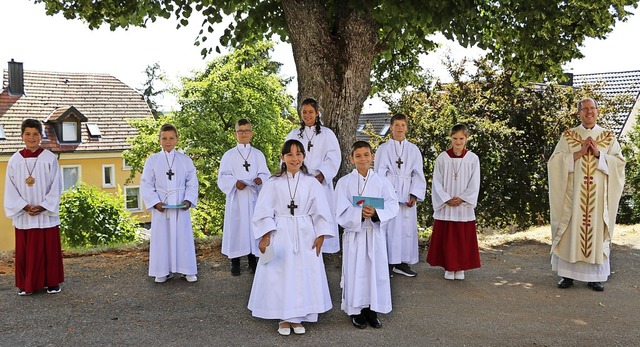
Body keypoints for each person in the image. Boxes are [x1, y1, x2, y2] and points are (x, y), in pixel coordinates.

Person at [248, 139, 333, 336]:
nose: (294, 158)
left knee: (302, 273)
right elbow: (263, 210)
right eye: (290, 154)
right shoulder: (273, 183)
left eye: (298, 154)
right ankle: (284, 318)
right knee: (282, 274)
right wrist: (266, 235)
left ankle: (299, 316)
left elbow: (321, 210)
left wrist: (321, 234)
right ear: (282, 158)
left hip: (306, 232)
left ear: (303, 157)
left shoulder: (311, 182)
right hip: (281, 231)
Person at [548, 98, 625, 292]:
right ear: (579, 113)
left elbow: (620, 164)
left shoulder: (608, 136)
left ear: (598, 111)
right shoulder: (568, 136)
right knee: (570, 231)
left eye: (592, 109)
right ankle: (567, 275)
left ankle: (595, 277)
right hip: (573, 198)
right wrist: (578, 153)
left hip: (598, 199)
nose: (589, 112)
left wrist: (600, 155)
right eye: (585, 109)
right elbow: (554, 163)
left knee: (596, 233)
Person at [335, 141, 399, 329]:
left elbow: (392, 204)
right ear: (351, 158)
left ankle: (372, 311)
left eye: (366, 155)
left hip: (374, 234)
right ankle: (356, 311)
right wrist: (358, 214)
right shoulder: (344, 182)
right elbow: (339, 209)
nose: (363, 159)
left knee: (375, 272)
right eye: (358, 155)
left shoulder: (381, 181)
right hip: (355, 235)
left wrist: (377, 214)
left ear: (372, 156)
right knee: (356, 272)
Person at [4, 119, 64, 296]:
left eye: (35, 134)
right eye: (28, 134)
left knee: (49, 250)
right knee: (26, 251)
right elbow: (10, 187)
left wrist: (44, 206)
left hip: (45, 214)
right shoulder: (15, 160)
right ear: (22, 136)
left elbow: (56, 185)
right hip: (24, 214)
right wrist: (23, 206)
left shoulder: (49, 158)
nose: (32, 138)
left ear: (41, 136)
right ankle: (26, 284)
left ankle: (52, 282)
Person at [140, 124, 199, 283]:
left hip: (180, 204)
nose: (168, 141)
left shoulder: (185, 160)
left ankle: (187, 270)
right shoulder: (152, 161)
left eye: (171, 138)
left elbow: (192, 182)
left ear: (176, 139)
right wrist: (155, 202)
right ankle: (161, 270)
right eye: (164, 138)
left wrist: (188, 199)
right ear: (159, 139)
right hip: (162, 204)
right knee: (161, 238)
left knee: (183, 237)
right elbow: (146, 184)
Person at [285, 98, 341, 253]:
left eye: (310, 112)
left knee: (320, 214)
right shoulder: (293, 134)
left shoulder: (327, 134)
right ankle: (302, 247)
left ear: (317, 113)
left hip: (320, 182)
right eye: (304, 112)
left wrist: (322, 175)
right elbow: (286, 156)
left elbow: (334, 157)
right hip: (299, 181)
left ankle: (321, 249)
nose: (307, 115)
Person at [426, 124, 481, 280]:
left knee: (461, 238)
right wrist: (446, 198)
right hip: (447, 204)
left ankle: (460, 267)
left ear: (467, 139)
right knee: (447, 238)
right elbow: (436, 181)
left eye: (461, 138)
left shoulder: (473, 159)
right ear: (451, 138)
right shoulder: (442, 157)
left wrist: (463, 198)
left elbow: (475, 182)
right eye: (455, 138)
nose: (458, 142)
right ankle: (449, 268)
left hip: (463, 205)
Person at [374, 113, 426, 277]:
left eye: (403, 125)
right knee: (389, 227)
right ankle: (388, 263)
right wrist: (384, 195)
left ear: (406, 127)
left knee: (405, 228)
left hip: (407, 190)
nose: (400, 128)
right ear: (391, 127)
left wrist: (414, 194)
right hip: (389, 190)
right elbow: (379, 173)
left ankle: (402, 263)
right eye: (396, 125)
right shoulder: (384, 149)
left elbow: (418, 173)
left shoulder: (413, 149)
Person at [218, 119, 270, 276]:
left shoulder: (258, 154)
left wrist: (260, 179)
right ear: (236, 134)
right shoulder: (229, 155)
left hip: (254, 197)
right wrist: (234, 183)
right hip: (238, 199)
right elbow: (222, 177)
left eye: (247, 131)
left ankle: (254, 260)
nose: (244, 134)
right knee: (237, 229)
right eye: (240, 131)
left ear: (251, 133)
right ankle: (235, 262)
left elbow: (265, 173)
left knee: (255, 229)